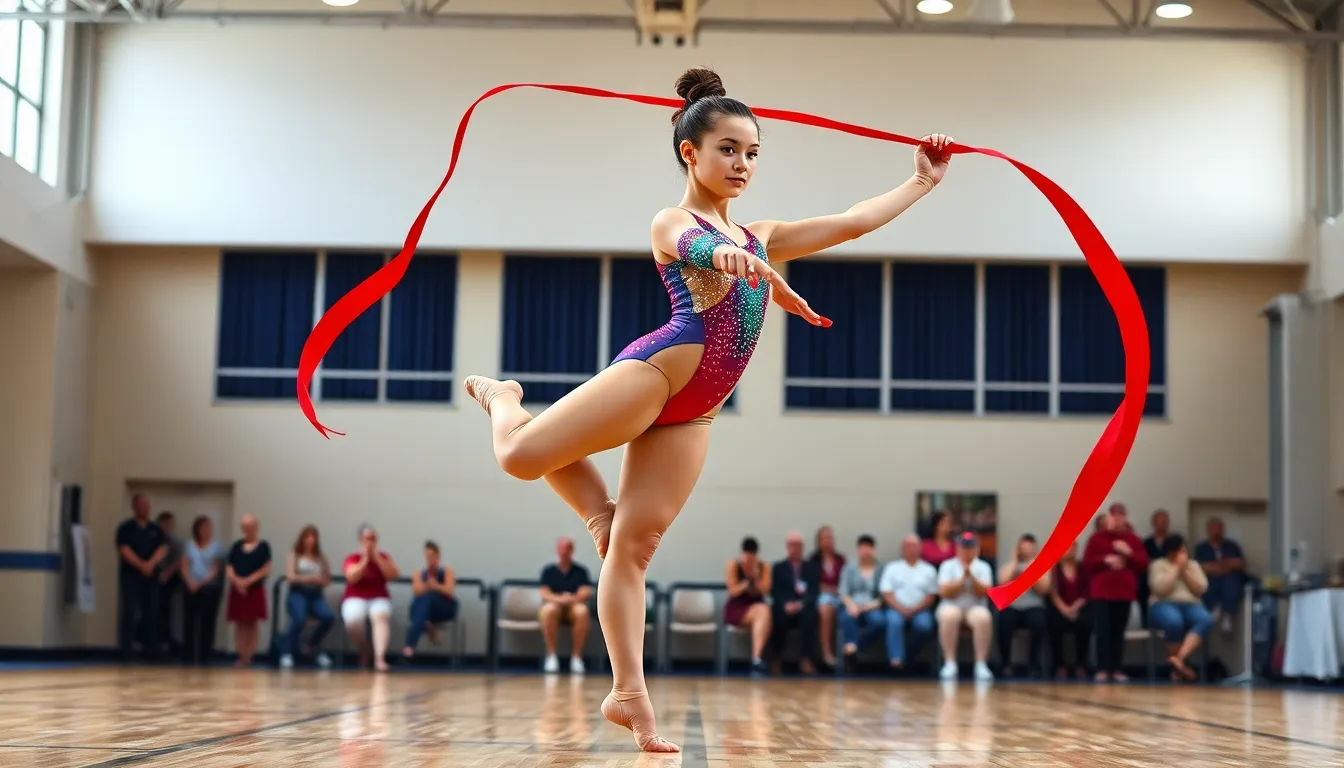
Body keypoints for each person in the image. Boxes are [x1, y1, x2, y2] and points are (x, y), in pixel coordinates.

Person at [461, 66, 951, 753]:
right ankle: (506, 399)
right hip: (656, 376)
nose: (742, 164)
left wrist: (921, 181)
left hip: (698, 411)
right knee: (518, 455)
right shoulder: (674, 221)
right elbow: (699, 248)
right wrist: (731, 258)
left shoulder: (761, 234)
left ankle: (629, 696)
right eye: (727, 149)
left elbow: (849, 222)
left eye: (752, 153)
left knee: (633, 549)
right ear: (690, 152)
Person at [1148, 534, 1212, 682]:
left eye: (1184, 550)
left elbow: (1201, 589)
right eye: (1180, 551)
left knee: (1205, 619)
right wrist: (1176, 568)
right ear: (1170, 552)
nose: (1184, 554)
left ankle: (1179, 659)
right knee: (1173, 621)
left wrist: (1185, 572)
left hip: (1191, 604)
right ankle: (1180, 668)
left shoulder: (1193, 565)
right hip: (1163, 604)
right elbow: (1161, 589)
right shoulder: (1158, 565)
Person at [341, 523, 400, 672]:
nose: (369, 543)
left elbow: (393, 575)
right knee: (353, 619)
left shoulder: (384, 557)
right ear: (360, 541)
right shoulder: (353, 558)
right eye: (366, 539)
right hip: (355, 597)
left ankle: (380, 659)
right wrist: (365, 560)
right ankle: (364, 649)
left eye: (372, 539)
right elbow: (351, 577)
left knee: (381, 616)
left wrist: (377, 559)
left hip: (379, 597)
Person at [280, 524, 335, 670]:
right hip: (298, 592)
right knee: (299, 619)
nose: (311, 540)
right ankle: (287, 652)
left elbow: (327, 578)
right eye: (308, 537)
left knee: (328, 617)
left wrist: (321, 580)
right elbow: (291, 577)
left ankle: (312, 645)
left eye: (313, 537)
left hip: (316, 594)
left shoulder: (320, 558)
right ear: (302, 539)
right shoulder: (295, 555)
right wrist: (309, 578)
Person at [179, 515, 225, 665]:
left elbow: (215, 569)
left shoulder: (217, 547)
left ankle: (205, 657)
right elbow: (184, 565)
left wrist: (200, 583)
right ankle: (189, 657)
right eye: (204, 527)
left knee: (207, 623)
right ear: (197, 529)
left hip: (209, 588)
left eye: (209, 527)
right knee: (189, 623)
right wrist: (190, 582)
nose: (207, 530)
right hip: (190, 587)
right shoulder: (189, 545)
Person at [722, 536, 771, 676]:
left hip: (757, 606)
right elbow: (732, 590)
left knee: (764, 611)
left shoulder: (764, 567)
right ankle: (757, 659)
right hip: (737, 607)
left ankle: (756, 658)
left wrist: (755, 577)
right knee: (763, 613)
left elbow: (765, 590)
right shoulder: (733, 565)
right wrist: (746, 582)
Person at [404, 540, 458, 659]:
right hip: (425, 610)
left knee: (426, 600)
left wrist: (436, 586)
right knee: (419, 603)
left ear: (438, 556)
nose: (429, 559)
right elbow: (417, 591)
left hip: (444, 608)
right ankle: (413, 643)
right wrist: (428, 586)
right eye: (427, 556)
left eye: (432, 556)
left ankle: (410, 643)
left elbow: (449, 590)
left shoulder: (447, 571)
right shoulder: (419, 573)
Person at [808, 525, 846, 669]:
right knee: (826, 605)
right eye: (825, 538)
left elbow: (845, 582)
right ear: (819, 541)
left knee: (843, 609)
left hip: (840, 595)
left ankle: (845, 655)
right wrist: (829, 589)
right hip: (822, 597)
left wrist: (834, 589)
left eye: (830, 537)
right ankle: (826, 652)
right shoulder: (813, 560)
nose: (828, 541)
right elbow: (814, 584)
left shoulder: (840, 559)